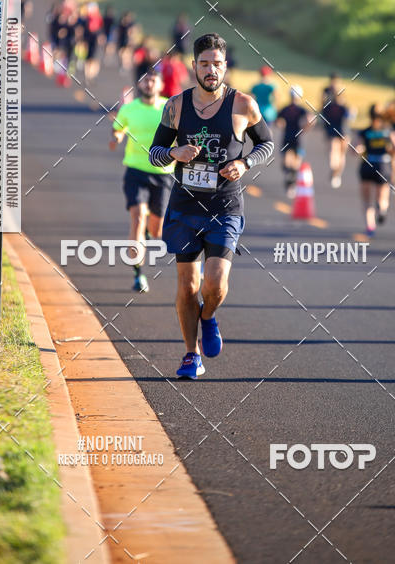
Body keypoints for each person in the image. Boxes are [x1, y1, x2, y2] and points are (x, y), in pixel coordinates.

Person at [149, 33, 274, 379]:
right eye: (204, 63)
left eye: (217, 63)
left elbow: (267, 144)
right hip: (184, 208)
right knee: (188, 286)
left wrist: (245, 163)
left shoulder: (243, 105)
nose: (211, 70)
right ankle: (191, 355)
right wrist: (174, 153)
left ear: (225, 66)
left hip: (225, 206)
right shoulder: (175, 106)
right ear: (194, 66)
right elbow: (155, 154)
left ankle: (208, 316)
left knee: (214, 284)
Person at [110, 68, 174, 292]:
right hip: (135, 170)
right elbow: (118, 129)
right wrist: (116, 137)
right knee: (137, 218)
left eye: (153, 80)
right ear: (140, 84)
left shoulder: (170, 108)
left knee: (157, 231)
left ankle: (147, 233)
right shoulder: (128, 108)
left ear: (160, 85)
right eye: (145, 80)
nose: (148, 84)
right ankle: (138, 274)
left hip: (163, 173)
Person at [354, 104, 395, 236]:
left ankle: (370, 227)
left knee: (366, 200)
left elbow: (355, 148)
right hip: (383, 165)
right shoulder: (388, 131)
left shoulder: (365, 132)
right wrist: (390, 151)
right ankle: (382, 209)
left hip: (367, 165)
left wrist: (360, 150)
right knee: (382, 196)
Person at [276, 86, 309, 196]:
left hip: (291, 138)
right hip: (293, 138)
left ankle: (290, 184)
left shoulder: (291, 109)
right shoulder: (297, 109)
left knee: (291, 164)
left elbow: (278, 121)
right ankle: (290, 183)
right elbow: (310, 120)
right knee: (291, 163)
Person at [322, 90, 350, 189]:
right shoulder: (329, 107)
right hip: (333, 133)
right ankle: (334, 172)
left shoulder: (344, 108)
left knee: (342, 155)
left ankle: (337, 174)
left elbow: (348, 118)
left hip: (343, 133)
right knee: (333, 153)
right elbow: (324, 119)